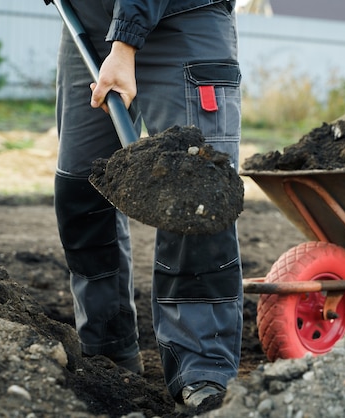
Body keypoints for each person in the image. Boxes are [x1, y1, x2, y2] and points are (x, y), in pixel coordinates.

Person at [52, 0, 243, 412]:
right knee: (81, 191)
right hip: (88, 19)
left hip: (183, 15)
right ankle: (107, 349)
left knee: (196, 196)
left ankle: (201, 368)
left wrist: (125, 45)